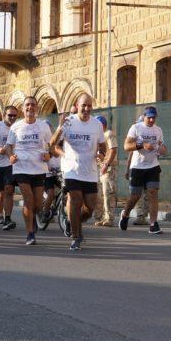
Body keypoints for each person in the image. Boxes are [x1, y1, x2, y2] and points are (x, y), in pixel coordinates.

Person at [54, 94, 108, 251]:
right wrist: (65, 154)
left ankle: (72, 221)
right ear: (77, 105)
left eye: (89, 106)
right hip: (71, 170)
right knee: (76, 201)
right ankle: (76, 237)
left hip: (89, 172)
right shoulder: (69, 122)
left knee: (90, 208)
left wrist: (101, 154)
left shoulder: (97, 125)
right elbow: (54, 145)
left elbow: (103, 147)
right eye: (84, 105)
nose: (87, 108)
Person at [6, 96, 52, 245]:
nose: (30, 107)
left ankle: (33, 217)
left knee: (38, 204)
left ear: (37, 108)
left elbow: (51, 144)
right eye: (27, 105)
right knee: (28, 200)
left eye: (33, 105)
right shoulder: (16, 127)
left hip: (38, 168)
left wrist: (48, 154)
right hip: (21, 167)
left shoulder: (43, 126)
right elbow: (8, 146)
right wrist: (10, 156)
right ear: (23, 108)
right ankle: (30, 234)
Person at [121, 106, 167, 235]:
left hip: (153, 166)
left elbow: (163, 146)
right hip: (138, 167)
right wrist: (142, 145)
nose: (152, 120)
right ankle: (125, 214)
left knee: (153, 193)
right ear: (144, 116)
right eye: (149, 117)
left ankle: (153, 224)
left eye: (154, 117)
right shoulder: (136, 128)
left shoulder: (158, 130)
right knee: (135, 196)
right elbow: (126, 146)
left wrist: (163, 150)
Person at [94, 115, 118, 227]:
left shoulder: (108, 134)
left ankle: (109, 218)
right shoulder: (97, 136)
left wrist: (106, 164)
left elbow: (113, 150)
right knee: (99, 194)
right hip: (98, 167)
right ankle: (102, 217)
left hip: (108, 167)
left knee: (107, 192)